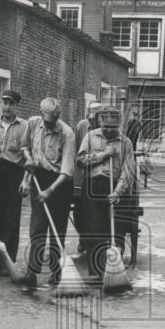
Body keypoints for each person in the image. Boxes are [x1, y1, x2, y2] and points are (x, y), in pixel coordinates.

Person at [16, 97, 76, 287]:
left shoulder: (67, 133)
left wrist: (49, 192)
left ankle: (57, 272)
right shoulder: (33, 124)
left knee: (57, 230)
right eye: (48, 120)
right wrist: (28, 161)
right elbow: (25, 147)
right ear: (42, 114)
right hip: (38, 177)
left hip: (59, 184)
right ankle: (32, 272)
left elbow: (66, 172)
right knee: (37, 228)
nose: (51, 124)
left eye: (55, 119)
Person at [76, 106, 136, 278]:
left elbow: (128, 171)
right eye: (106, 126)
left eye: (113, 126)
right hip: (93, 186)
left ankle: (113, 272)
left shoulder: (126, 143)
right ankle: (96, 272)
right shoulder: (90, 136)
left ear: (119, 124)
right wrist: (102, 155)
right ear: (100, 121)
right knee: (93, 230)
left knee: (114, 232)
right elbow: (80, 160)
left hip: (115, 189)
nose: (109, 130)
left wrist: (117, 192)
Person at [0, 89, 30, 274]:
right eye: (4, 102)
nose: (6, 106)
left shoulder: (25, 127)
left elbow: (29, 157)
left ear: (16, 106)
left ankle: (8, 263)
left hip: (14, 175)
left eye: (11, 103)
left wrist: (26, 180)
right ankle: (2, 260)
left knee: (11, 221)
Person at [72, 101, 103, 253]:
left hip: (99, 175)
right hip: (83, 174)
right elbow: (77, 151)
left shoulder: (106, 129)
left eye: (95, 118)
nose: (92, 121)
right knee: (79, 211)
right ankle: (83, 238)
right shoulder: (81, 126)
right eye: (89, 117)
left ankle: (99, 244)